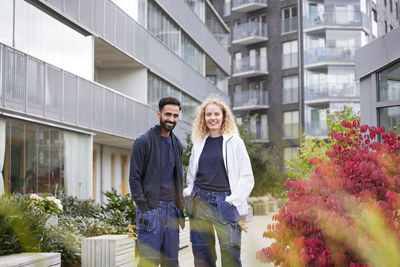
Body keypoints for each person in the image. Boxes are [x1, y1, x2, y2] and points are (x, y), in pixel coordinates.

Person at [183, 98, 254, 267]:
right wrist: (189, 194)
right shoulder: (198, 144)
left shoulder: (235, 142)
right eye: (208, 114)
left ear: (224, 116)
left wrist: (232, 201)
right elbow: (191, 176)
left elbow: (246, 176)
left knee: (230, 255)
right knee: (202, 256)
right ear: (203, 118)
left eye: (216, 114)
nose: (212, 118)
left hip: (225, 203)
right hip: (199, 202)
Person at [129, 96, 185, 267]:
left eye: (175, 116)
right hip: (151, 211)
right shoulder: (143, 141)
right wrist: (145, 209)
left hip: (172, 213)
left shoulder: (177, 144)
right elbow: (134, 178)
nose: (171, 119)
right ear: (159, 114)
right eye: (168, 114)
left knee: (171, 263)